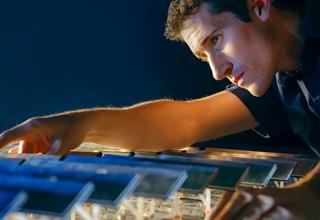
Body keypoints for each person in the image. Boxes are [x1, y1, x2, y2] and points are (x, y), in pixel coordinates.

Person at [0, 0, 319, 219]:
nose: (217, 71)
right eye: (203, 56)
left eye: (216, 39)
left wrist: (310, 194)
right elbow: (185, 122)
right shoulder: (283, 80)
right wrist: (79, 125)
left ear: (260, 5)